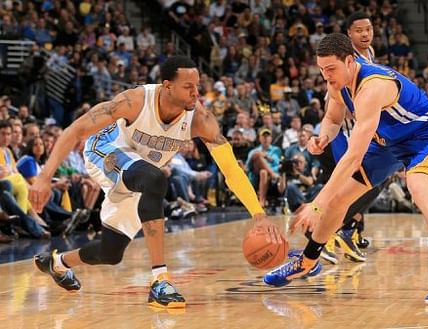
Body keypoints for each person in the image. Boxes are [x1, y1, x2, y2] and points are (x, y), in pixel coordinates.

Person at [30, 56, 283, 309]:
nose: (196, 93)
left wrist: (258, 214)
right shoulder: (136, 101)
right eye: (188, 87)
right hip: (104, 150)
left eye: (197, 85)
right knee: (154, 177)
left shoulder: (200, 119)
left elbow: (230, 168)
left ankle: (58, 263)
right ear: (167, 86)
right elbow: (76, 129)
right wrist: (44, 178)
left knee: (111, 252)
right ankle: (160, 280)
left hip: (139, 172)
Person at [263, 33, 428, 305]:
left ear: (350, 61)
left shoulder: (372, 86)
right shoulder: (338, 84)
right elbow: (332, 117)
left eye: (331, 69)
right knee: (341, 196)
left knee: (418, 188)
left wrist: (316, 204)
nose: (326, 75)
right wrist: (323, 137)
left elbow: (354, 156)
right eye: (321, 70)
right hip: (388, 141)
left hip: (423, 134)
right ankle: (308, 261)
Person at [318, 11, 390, 265]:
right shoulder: (345, 60)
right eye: (359, 30)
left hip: (360, 133)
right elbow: (332, 102)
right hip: (342, 133)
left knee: (374, 181)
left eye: (368, 29)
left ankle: (348, 231)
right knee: (360, 182)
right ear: (349, 33)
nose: (365, 34)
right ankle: (325, 233)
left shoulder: (369, 56)